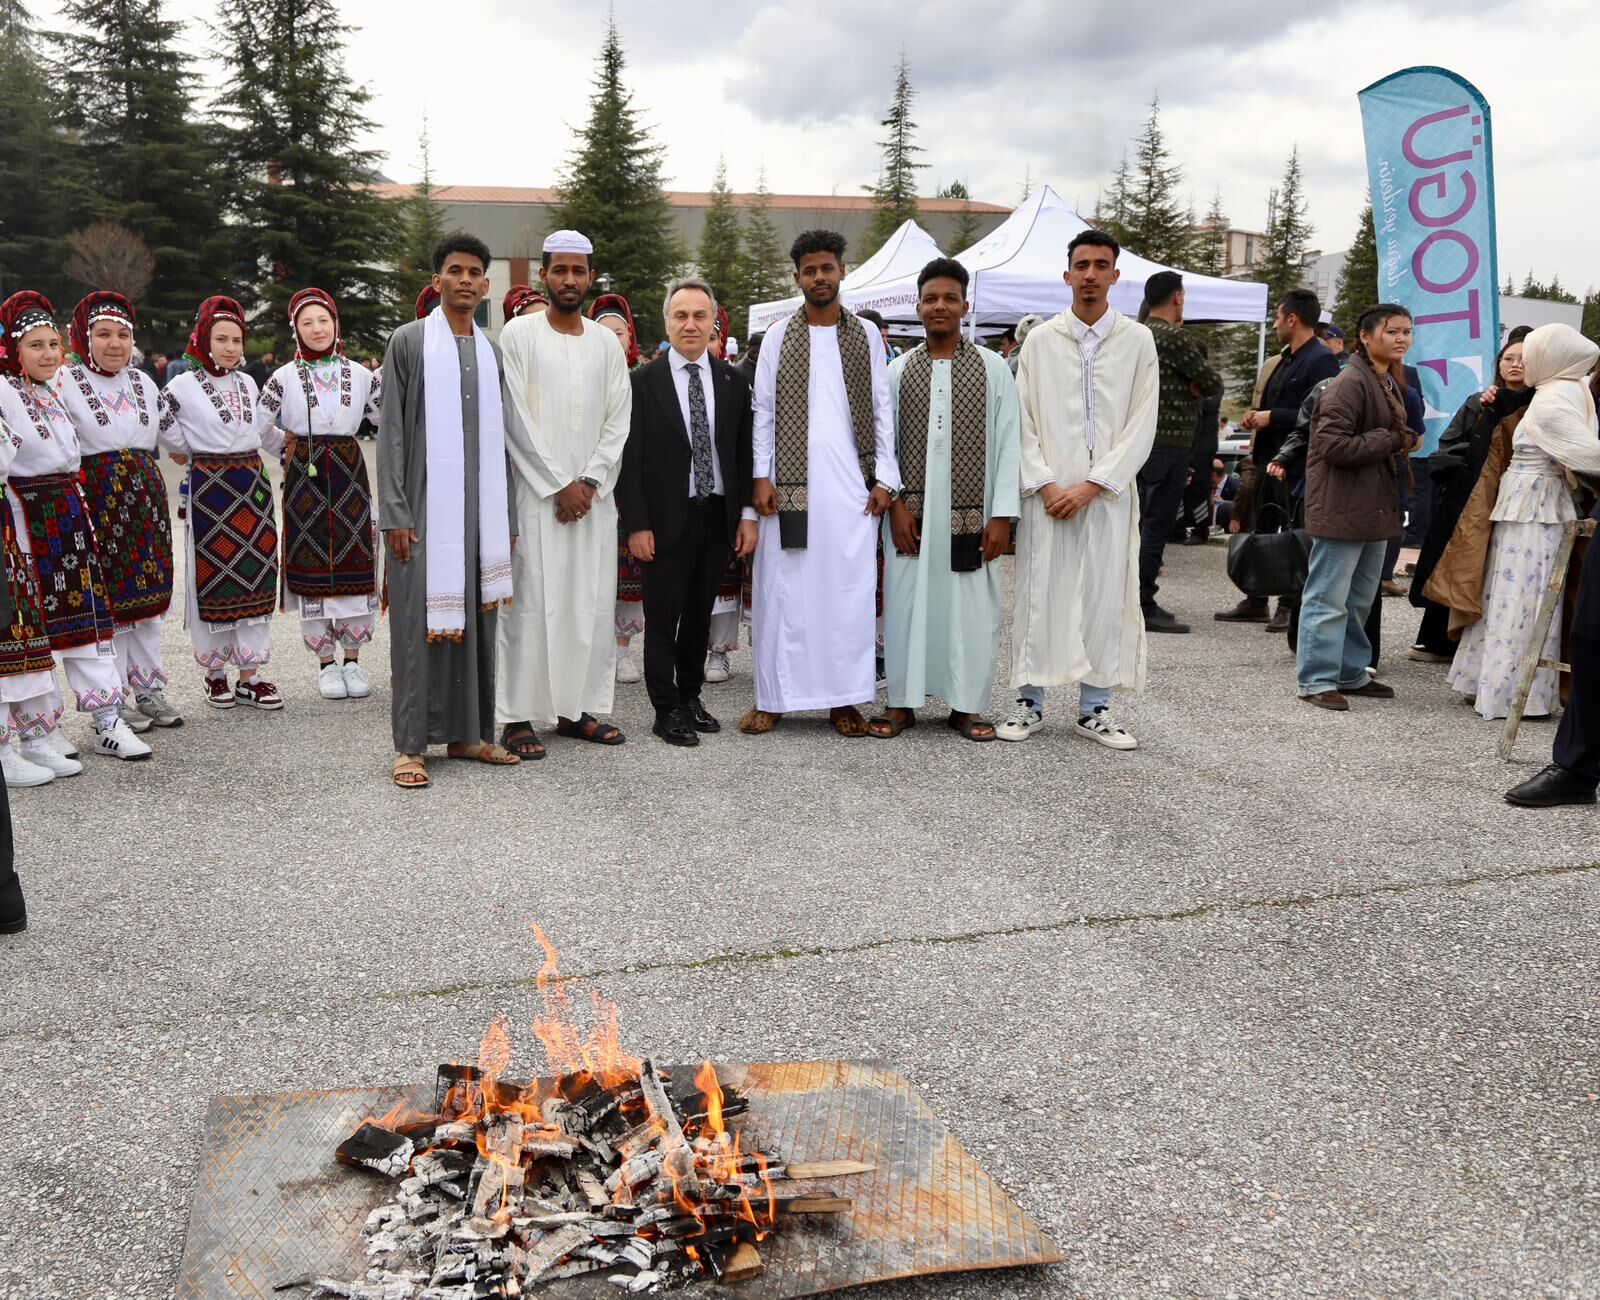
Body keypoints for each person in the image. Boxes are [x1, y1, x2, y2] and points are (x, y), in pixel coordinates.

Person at [999, 230, 1158, 748]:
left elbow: (1142, 423)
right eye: (1082, 265)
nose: (1090, 274)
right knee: (1040, 592)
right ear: (1067, 275)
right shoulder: (1042, 340)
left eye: (1101, 265)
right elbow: (1020, 420)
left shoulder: (1137, 341)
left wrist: (1093, 485)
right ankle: (1029, 702)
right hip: (1047, 495)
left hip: (1107, 495)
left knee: (1105, 593)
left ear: (1115, 275)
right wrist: (1045, 484)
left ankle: (1096, 707)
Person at [740, 229, 900, 737]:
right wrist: (760, 476)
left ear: (842, 272)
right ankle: (776, 697)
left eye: (827, 268)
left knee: (847, 594)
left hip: (850, 487)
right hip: (787, 487)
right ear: (797, 278)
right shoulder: (778, 337)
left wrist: (885, 480)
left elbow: (881, 409)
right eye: (809, 270)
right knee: (782, 591)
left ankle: (844, 700)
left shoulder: (866, 335)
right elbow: (762, 409)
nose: (819, 277)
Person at [378, 234, 521, 788]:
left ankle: (468, 736)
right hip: (422, 509)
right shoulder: (409, 342)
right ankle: (411, 747)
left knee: (478, 626)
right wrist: (394, 510)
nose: (465, 280)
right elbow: (391, 432)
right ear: (437, 280)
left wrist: (505, 518)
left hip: (480, 516)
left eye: (475, 272)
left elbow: (501, 442)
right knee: (418, 630)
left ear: (487, 285)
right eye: (455, 271)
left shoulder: (492, 350)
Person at [0, 292, 155, 769]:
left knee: (86, 619)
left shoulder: (50, 389)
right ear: (13, 350)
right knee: (32, 628)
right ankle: (38, 733)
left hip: (66, 509)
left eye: (53, 344)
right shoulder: (5, 390)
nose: (48, 354)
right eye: (35, 345)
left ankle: (107, 718)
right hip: (27, 512)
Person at [494, 230, 632, 758]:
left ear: (590, 277)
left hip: (593, 502)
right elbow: (516, 420)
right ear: (544, 276)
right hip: (538, 498)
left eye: (579, 271)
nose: (569, 279)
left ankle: (577, 710)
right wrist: (559, 484)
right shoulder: (519, 335)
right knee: (530, 602)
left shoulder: (604, 341)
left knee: (588, 601)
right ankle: (519, 716)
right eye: (560, 271)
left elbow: (619, 418)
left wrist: (591, 481)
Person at [870, 257, 1019, 743]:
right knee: (906, 602)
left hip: (971, 515)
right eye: (930, 298)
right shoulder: (897, 372)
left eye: (949, 298)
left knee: (972, 606)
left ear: (965, 306)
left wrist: (1001, 516)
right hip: (910, 515)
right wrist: (895, 508)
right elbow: (883, 448)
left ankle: (966, 704)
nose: (939, 306)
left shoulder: (994, 370)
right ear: (917, 305)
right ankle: (902, 701)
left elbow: (1009, 441)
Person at [618, 277, 756, 746]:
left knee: (700, 612)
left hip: (715, 517)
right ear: (666, 322)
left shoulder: (734, 381)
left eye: (700, 315)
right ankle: (664, 707)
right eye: (681, 315)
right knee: (663, 617)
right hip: (662, 522)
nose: (690, 324)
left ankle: (690, 694)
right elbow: (628, 459)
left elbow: (742, 455)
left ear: (713, 321)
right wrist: (636, 523)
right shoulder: (641, 383)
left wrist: (746, 516)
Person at [1442, 324, 1600, 720]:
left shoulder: (1555, 397)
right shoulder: (1555, 391)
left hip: (1537, 508)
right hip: (1525, 505)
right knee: (1507, 595)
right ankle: (1494, 682)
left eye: (1531, 353)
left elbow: (1587, 455)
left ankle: (1513, 692)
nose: (1522, 361)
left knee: (1523, 599)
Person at [57, 291, 181, 731]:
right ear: (83, 338)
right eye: (104, 334)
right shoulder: (64, 380)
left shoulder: (145, 381)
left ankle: (148, 687)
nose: (115, 344)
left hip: (145, 499)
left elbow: (174, 438)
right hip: (96, 497)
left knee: (148, 601)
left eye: (124, 335)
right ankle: (112, 697)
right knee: (108, 603)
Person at [157, 297, 285, 714]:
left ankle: (252, 675)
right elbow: (168, 432)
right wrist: (187, 450)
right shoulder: (180, 386)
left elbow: (263, 432)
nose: (230, 347)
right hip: (210, 488)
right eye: (221, 339)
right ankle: (214, 673)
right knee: (210, 578)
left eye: (236, 339)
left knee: (256, 574)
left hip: (252, 485)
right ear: (202, 339)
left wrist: (292, 443)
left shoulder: (248, 383)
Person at [258, 288, 382, 702]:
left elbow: (385, 416)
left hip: (348, 467)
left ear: (335, 324)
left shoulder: (361, 375)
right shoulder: (283, 377)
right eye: (307, 322)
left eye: (323, 320)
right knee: (310, 562)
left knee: (355, 556)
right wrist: (284, 443)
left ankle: (353, 659)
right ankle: (326, 664)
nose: (317, 329)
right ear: (295, 330)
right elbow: (260, 424)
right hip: (305, 471)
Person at [1294, 304, 1418, 710]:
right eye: (1392, 331)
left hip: (1373, 506)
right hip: (1342, 507)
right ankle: (1316, 679)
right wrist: (1388, 439)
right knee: (1327, 597)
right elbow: (1331, 445)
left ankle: (1349, 671)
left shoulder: (1384, 379)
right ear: (1366, 337)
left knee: (1360, 598)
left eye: (1406, 332)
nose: (1401, 338)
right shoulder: (1350, 381)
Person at [1216, 288, 1339, 628]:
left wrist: (1273, 417)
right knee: (1263, 526)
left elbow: (1317, 412)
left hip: (1297, 461)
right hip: (1269, 456)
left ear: (1292, 319)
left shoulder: (1321, 358)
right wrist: (1257, 416)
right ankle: (1256, 598)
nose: (1273, 325)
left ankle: (1289, 604)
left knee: (1293, 532)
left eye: (1277, 317)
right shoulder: (1287, 357)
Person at [1407, 330, 1532, 661]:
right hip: (1468, 494)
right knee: (1455, 561)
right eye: (1508, 358)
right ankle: (1438, 640)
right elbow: (1447, 444)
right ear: (1498, 364)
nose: (1515, 364)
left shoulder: (1540, 402)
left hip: (1519, 499)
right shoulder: (1479, 401)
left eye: (1522, 359)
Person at [1135, 271, 1223, 631]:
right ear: (1178, 297)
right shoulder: (1174, 338)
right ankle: (1143, 603)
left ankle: (1130, 598)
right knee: (1156, 527)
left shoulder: (1135, 335)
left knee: (1137, 525)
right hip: (1170, 444)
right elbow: (1213, 382)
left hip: (1140, 443)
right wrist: (1193, 385)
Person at [588, 293, 647, 685]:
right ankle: (594, 651)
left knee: (629, 577)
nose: (613, 339)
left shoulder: (643, 379)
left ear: (630, 338)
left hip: (634, 487)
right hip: (594, 486)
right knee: (592, 574)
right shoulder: (585, 376)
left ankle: (623, 651)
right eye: (604, 332)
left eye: (620, 332)